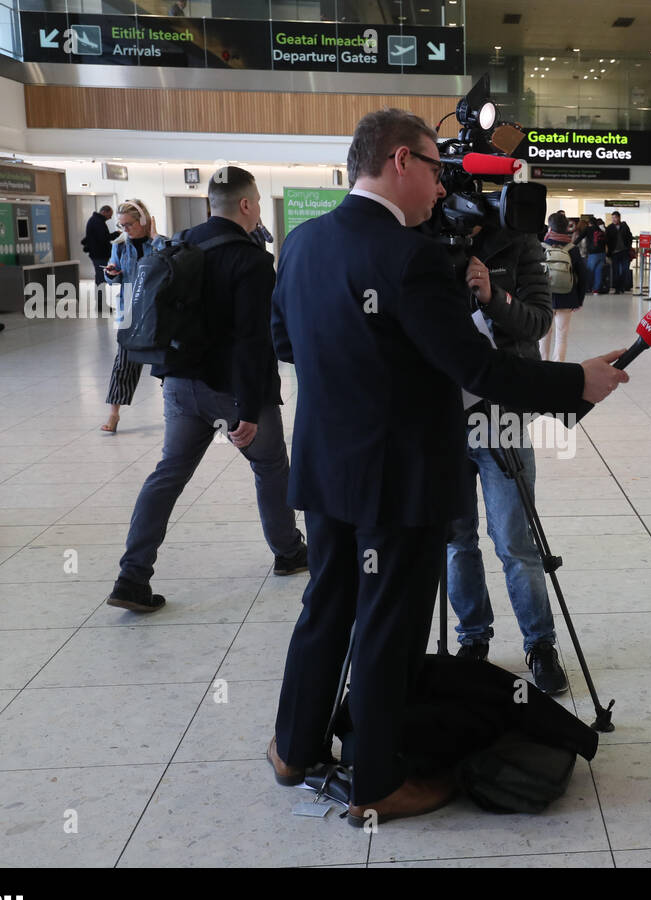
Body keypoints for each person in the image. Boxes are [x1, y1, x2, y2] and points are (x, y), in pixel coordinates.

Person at [266, 108, 628, 826]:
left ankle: (292, 747)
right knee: (390, 625)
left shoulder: (303, 244)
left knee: (328, 605)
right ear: (400, 161)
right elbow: (478, 368)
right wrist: (574, 383)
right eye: (435, 170)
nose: (442, 187)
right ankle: (375, 780)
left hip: (327, 466)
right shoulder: (412, 259)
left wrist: (364, 371)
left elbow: (284, 339)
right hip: (399, 477)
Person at [105, 167, 307, 614]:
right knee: (271, 466)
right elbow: (256, 343)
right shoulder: (253, 261)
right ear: (248, 205)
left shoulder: (180, 243)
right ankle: (289, 552)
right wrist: (250, 409)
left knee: (168, 475)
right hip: (230, 391)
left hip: (178, 384)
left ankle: (131, 575)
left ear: (209, 205)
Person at [449, 228, 568, 693]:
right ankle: (473, 638)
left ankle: (540, 644)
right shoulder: (421, 239)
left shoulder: (518, 244)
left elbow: (539, 322)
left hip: (503, 412)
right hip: (440, 415)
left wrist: (493, 295)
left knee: (515, 540)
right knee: (456, 540)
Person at [101, 199, 167, 433]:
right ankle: (114, 414)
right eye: (121, 226)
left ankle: (174, 409)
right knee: (123, 365)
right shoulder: (119, 246)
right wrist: (111, 274)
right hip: (130, 312)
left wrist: (156, 237)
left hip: (157, 312)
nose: (125, 230)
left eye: (128, 224)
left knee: (167, 364)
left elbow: (170, 267)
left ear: (142, 221)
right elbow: (115, 276)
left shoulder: (161, 243)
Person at [540, 212, 585, 362]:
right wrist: (579, 300)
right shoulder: (572, 248)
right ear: (566, 228)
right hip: (567, 297)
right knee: (562, 336)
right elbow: (582, 275)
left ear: (550, 227)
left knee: (544, 335)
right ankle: (558, 367)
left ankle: (543, 365)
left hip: (544, 298)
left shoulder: (541, 247)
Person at [82, 205, 118, 315]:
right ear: (104, 212)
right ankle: (101, 305)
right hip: (99, 255)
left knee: (100, 279)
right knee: (101, 279)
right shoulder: (97, 222)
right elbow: (104, 238)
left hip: (98, 254)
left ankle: (101, 304)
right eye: (109, 215)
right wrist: (116, 234)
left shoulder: (95, 220)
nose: (110, 218)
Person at [606, 211, 633, 293]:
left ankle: (622, 286)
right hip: (614, 252)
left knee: (625, 270)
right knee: (616, 271)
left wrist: (628, 247)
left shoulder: (624, 226)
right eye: (613, 218)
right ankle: (617, 288)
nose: (614, 219)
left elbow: (629, 237)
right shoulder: (609, 227)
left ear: (619, 218)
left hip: (624, 251)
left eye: (615, 218)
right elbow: (607, 240)